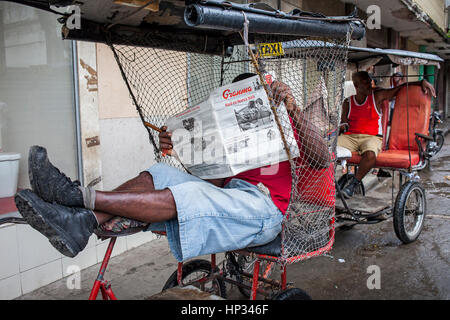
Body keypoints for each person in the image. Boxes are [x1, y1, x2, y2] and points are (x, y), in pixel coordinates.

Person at [14, 73, 329, 261]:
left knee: (191, 196)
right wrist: (181, 149)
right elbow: (216, 187)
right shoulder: (230, 139)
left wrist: (292, 108)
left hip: (265, 211)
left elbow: (321, 159)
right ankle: (80, 222)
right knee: (163, 173)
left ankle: (75, 197)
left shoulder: (289, 127)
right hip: (231, 199)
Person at [337, 71, 435, 198]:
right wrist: (343, 125)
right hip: (350, 137)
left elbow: (398, 89)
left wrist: (421, 82)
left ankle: (353, 184)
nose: (370, 85)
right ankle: (327, 185)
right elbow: (343, 122)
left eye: (369, 82)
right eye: (365, 83)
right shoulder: (347, 102)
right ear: (356, 85)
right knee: (327, 149)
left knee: (370, 154)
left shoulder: (377, 96)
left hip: (371, 137)